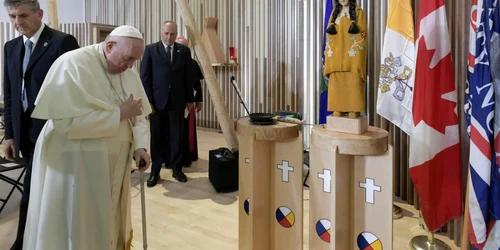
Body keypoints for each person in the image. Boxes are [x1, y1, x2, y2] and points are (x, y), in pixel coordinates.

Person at [22, 25, 152, 250]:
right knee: (77, 220)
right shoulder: (72, 64)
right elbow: (65, 124)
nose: (130, 67)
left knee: (108, 219)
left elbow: (139, 115)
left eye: (134, 61)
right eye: (127, 59)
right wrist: (119, 113)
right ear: (110, 45)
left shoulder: (126, 71)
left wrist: (140, 147)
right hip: (75, 165)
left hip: (113, 166)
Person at [2, 0, 80, 249]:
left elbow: (74, 91)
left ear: (40, 13)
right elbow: (10, 93)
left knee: (44, 192)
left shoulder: (62, 42)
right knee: (34, 189)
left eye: (23, 15)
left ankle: (26, 242)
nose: (17, 22)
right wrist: (10, 135)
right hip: (24, 132)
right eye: (12, 16)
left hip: (52, 132)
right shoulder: (11, 46)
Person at [140, 21, 194, 186]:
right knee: (157, 137)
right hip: (157, 102)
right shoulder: (150, 50)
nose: (169, 37)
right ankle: (155, 172)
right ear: (160, 32)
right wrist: (148, 102)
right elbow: (145, 77)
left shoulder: (183, 51)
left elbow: (188, 77)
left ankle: (177, 169)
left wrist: (190, 99)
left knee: (177, 136)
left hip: (177, 102)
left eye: (172, 34)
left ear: (176, 33)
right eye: (166, 33)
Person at [323, 0, 367, 118]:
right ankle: (338, 107)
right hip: (336, 57)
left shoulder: (359, 13)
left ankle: (354, 108)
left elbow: (362, 35)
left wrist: (354, 57)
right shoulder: (334, 14)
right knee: (337, 83)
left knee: (353, 82)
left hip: (352, 58)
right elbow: (329, 36)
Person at [175, 36, 203, 167]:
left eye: (185, 47)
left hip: (188, 102)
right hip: (172, 103)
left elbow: (197, 84)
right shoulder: (170, 62)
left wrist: (199, 101)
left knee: (188, 130)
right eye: (180, 46)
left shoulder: (192, 63)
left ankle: (188, 156)